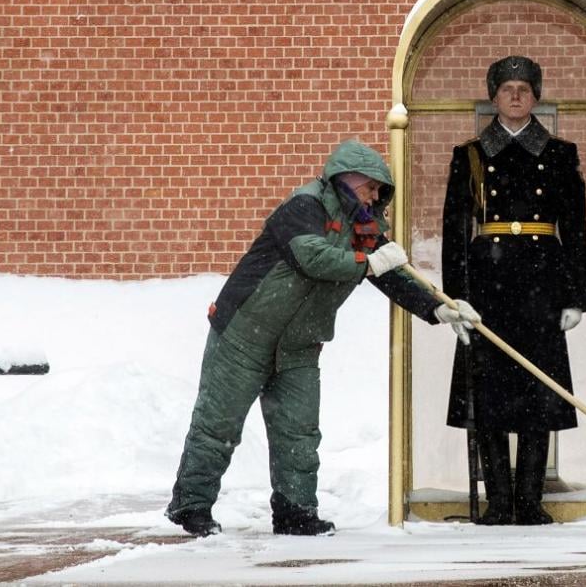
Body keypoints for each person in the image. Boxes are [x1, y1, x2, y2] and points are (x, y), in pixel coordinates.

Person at [167, 138, 480, 537]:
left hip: (299, 345)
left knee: (298, 432)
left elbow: (397, 278)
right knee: (218, 425)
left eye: (379, 191)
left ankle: (295, 512)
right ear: (346, 179)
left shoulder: (365, 229)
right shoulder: (304, 206)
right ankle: (192, 507)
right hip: (244, 334)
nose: (375, 197)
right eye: (370, 188)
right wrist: (368, 263)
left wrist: (439, 307)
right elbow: (311, 257)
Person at [441, 55, 586, 525]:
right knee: (488, 396)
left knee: (537, 393)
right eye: (507, 88)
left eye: (525, 88)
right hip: (488, 284)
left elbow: (577, 230)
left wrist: (574, 297)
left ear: (537, 96)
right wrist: (455, 297)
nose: (517, 95)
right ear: (493, 96)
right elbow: (455, 233)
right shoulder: (470, 155)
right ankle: (498, 501)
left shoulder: (560, 154)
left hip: (542, 284)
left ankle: (529, 499)